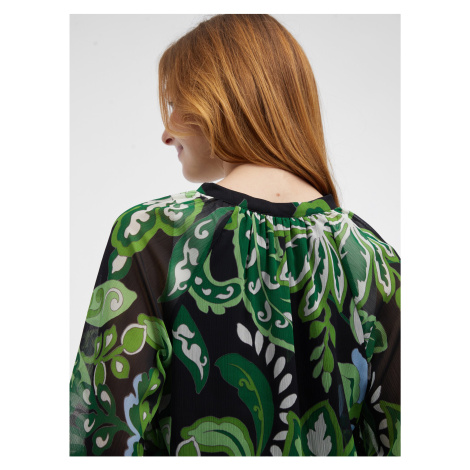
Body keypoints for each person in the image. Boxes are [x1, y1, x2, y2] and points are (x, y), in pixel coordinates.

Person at [70, 14, 400, 456]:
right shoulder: (374, 259)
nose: (166, 133)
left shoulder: (150, 236)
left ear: (218, 102)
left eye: (176, 104)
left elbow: (102, 434)